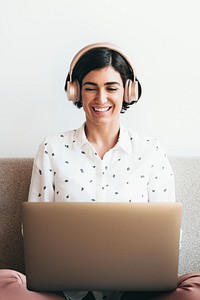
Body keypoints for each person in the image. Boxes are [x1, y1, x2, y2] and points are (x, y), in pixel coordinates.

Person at [1, 42, 200, 300]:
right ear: (75, 92)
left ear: (128, 92)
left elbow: (169, 237)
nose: (101, 99)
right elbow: (34, 232)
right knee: (6, 282)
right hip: (66, 291)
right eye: (90, 88)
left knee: (196, 287)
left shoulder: (150, 150)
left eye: (111, 88)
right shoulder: (53, 147)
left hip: (136, 291)